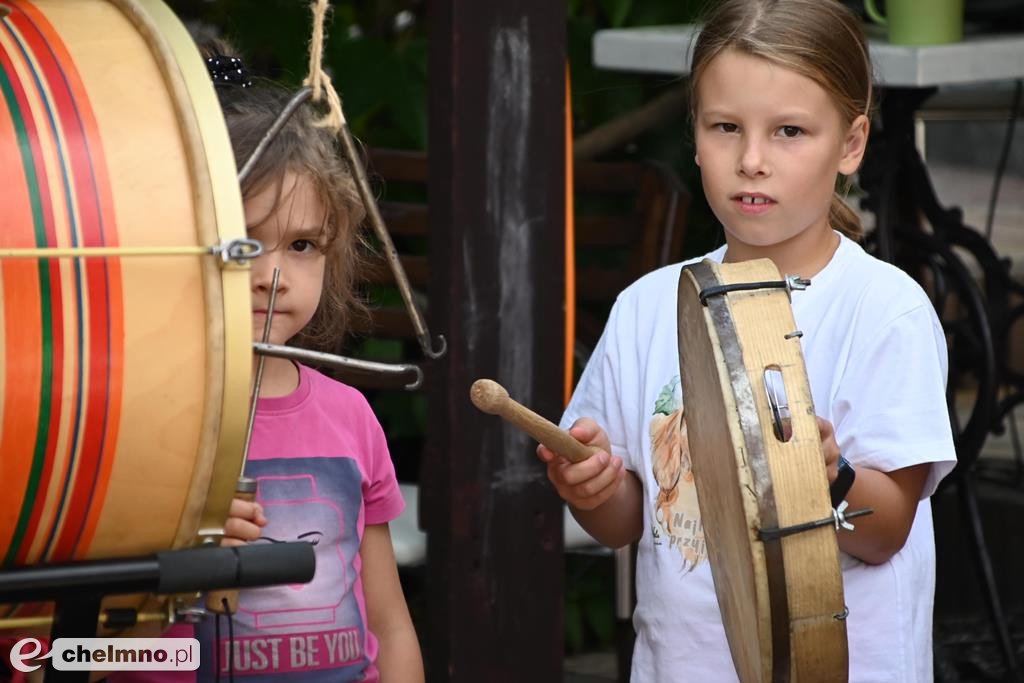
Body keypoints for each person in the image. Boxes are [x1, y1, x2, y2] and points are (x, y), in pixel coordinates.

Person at [537, 1, 956, 681]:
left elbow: (888, 531)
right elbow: (626, 523)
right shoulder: (647, 309)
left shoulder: (885, 311)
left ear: (851, 144)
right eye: (726, 127)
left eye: (789, 131)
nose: (752, 160)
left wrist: (830, 476)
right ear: (696, 137)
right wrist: (589, 488)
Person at [114, 44, 424, 683]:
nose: (272, 277)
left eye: (303, 244)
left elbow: (389, 624)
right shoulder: (128, 427)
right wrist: (171, 562)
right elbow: (68, 653)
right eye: (243, 243)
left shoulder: (352, 417)